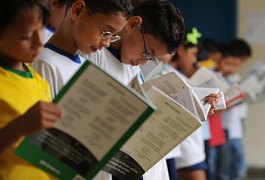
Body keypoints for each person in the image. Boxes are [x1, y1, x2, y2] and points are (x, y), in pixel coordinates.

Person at [87, 1, 185, 179]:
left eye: (152, 59)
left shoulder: (134, 70)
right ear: (132, 25)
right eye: (147, 53)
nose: (144, 61)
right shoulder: (94, 55)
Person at [0, 0, 62, 179]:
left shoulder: (39, 81)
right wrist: (20, 127)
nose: (40, 42)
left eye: (42, 28)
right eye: (26, 36)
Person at [33, 0, 132, 98]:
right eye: (106, 32)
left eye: (113, 36)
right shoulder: (45, 63)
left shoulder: (87, 67)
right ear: (78, 11)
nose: (107, 43)